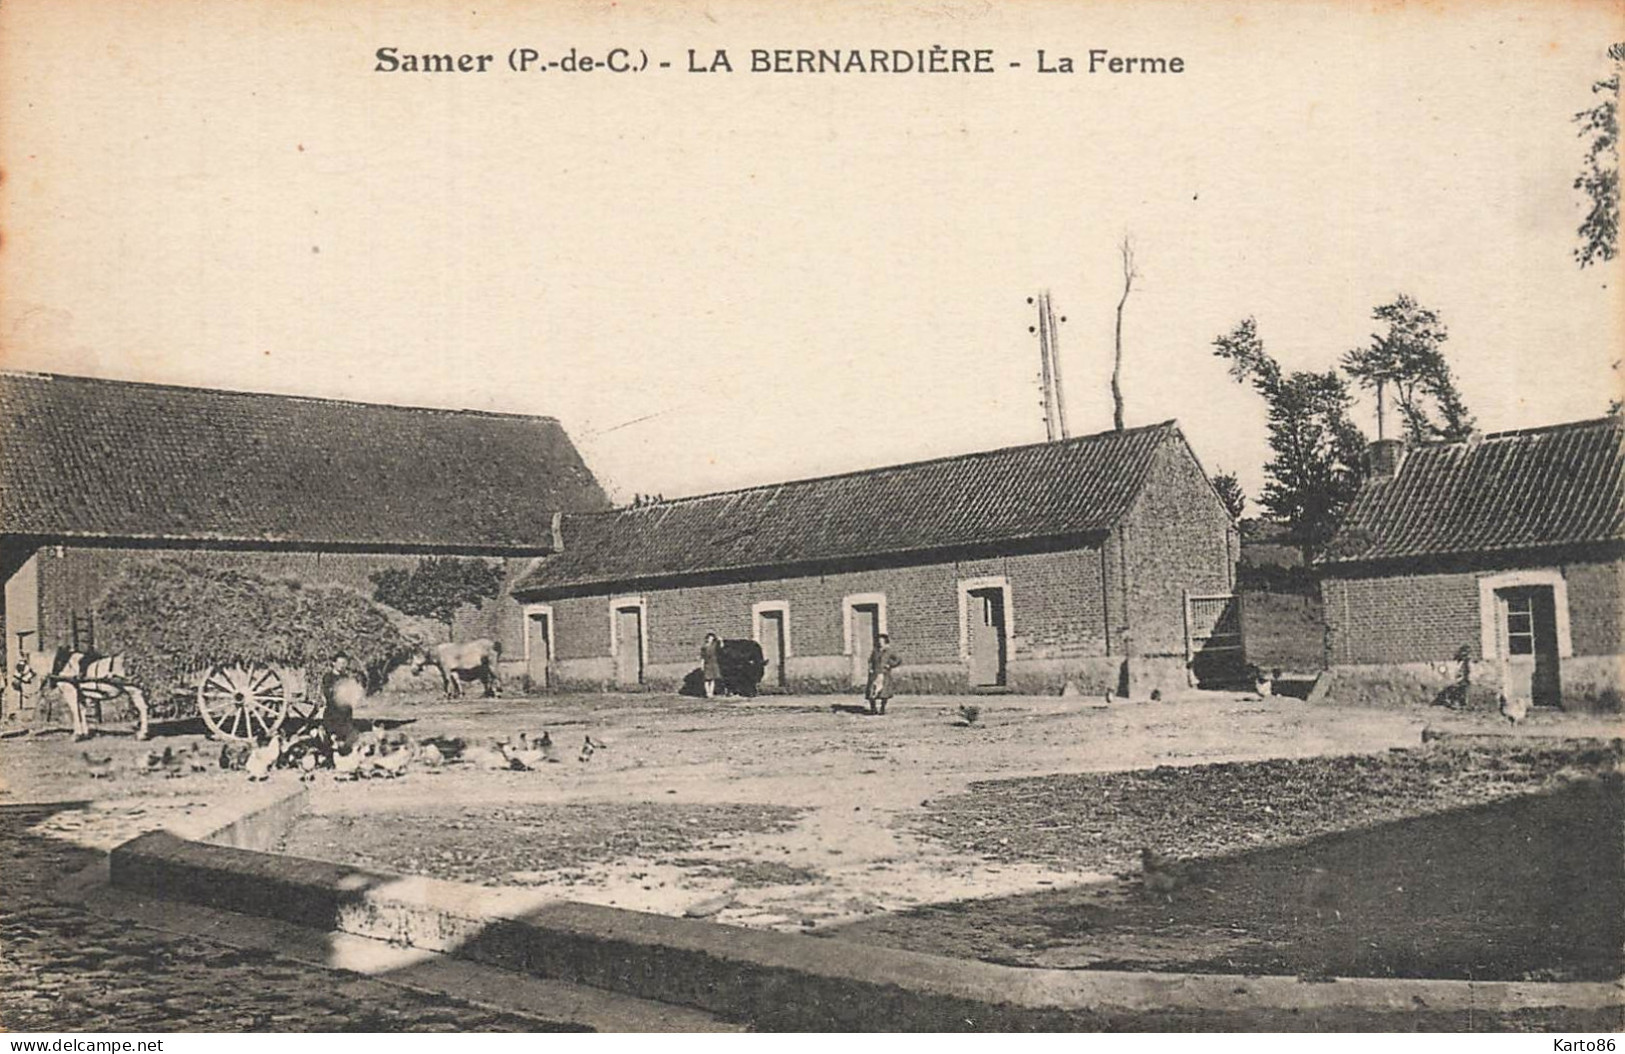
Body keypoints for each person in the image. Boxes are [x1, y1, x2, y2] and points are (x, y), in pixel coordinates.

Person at [866, 633, 902, 715]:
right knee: (872, 691)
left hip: (884, 674)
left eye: (882, 641)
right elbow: (870, 661)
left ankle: (882, 709)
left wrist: (890, 665)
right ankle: (873, 709)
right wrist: (870, 668)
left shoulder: (889, 651)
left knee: (884, 693)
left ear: (885, 642)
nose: (880, 643)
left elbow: (898, 659)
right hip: (875, 673)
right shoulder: (875, 651)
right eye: (879, 641)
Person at [700, 632, 723, 698]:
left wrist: (720, 640)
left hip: (714, 662)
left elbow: (721, 647)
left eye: (712, 638)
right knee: (707, 679)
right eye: (709, 638)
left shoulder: (715, 645)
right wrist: (702, 665)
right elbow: (702, 657)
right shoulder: (704, 647)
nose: (710, 639)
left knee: (713, 679)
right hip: (707, 663)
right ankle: (707, 692)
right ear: (707, 639)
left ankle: (711, 692)